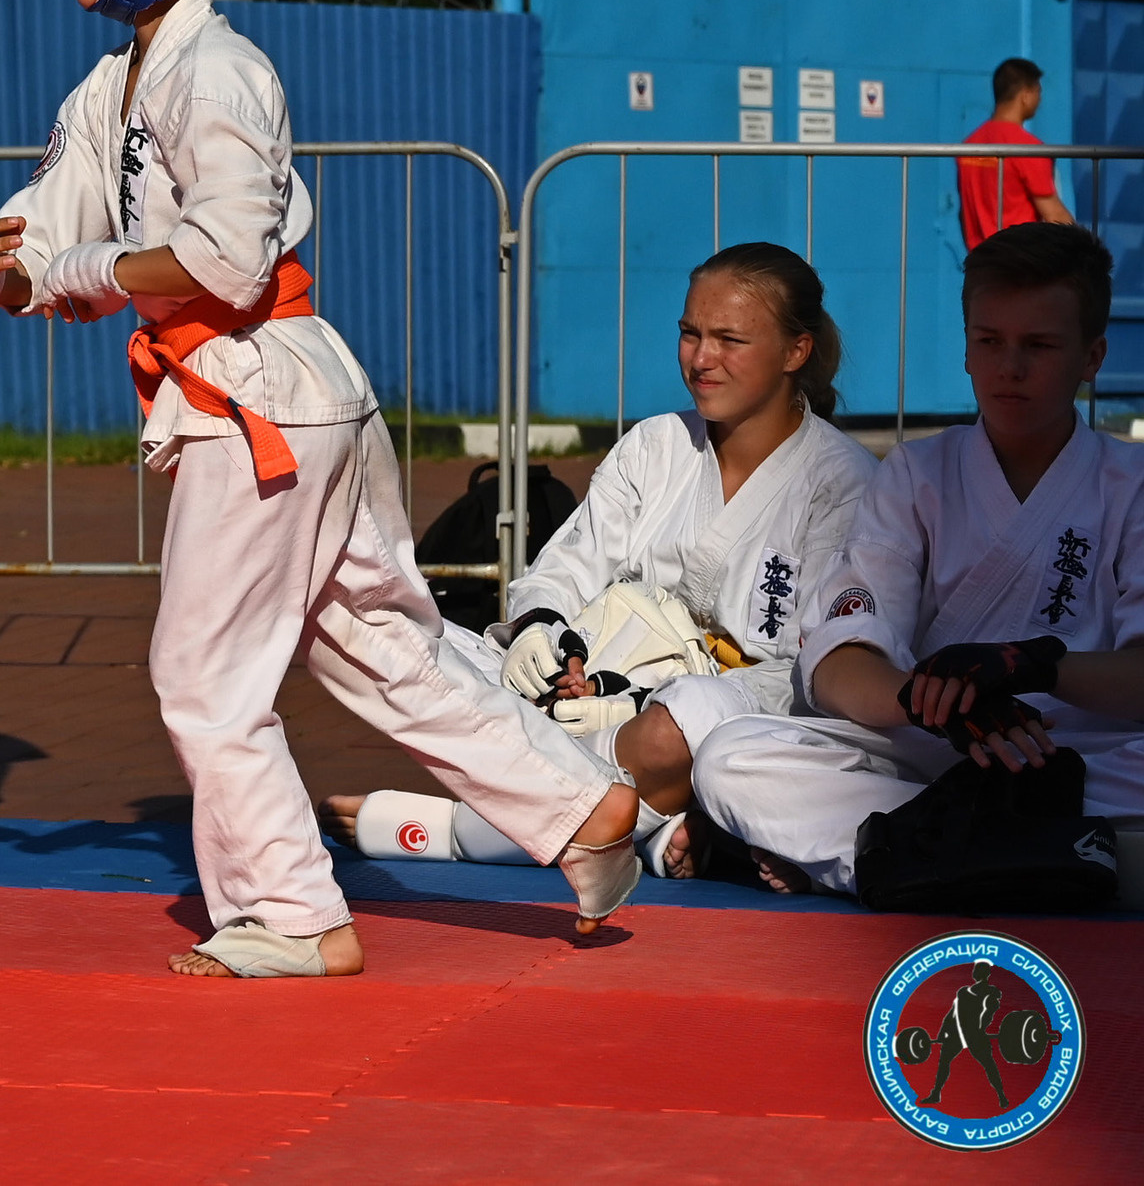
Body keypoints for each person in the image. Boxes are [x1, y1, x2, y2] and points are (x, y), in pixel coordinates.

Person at [0, 0, 640, 978]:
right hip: (284, 392)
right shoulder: (113, 86)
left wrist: (76, 270)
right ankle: (579, 808)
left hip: (256, 392)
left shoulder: (219, 72)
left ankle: (291, 911)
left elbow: (222, 260)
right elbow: (36, 239)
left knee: (204, 678)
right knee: (375, 641)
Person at [326, 245, 879, 878]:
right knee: (401, 632)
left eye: (730, 340)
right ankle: (653, 825)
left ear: (795, 351)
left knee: (685, 724)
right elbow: (567, 564)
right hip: (584, 690)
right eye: (690, 334)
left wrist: (639, 701)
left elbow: (810, 671)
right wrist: (541, 627)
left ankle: (458, 830)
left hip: (700, 719)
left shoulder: (843, 483)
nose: (701, 359)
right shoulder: (656, 445)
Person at [689, 221, 1144, 898]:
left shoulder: (1130, 482)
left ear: (1092, 355)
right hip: (939, 748)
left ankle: (897, 855)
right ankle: (1056, 859)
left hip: (1080, 752)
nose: (1009, 367)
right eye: (989, 342)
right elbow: (842, 661)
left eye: (1039, 346)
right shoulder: (918, 473)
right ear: (965, 349)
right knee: (732, 756)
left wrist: (1035, 663)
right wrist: (926, 700)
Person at [959, 57, 1073, 250]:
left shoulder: (969, 146)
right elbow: (1055, 215)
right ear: (1026, 96)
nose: (1040, 100)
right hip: (1020, 263)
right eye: (1038, 92)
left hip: (981, 263)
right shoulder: (1029, 148)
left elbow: (964, 214)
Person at [926, 962, 1008, 1110]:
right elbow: (953, 1013)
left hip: (974, 1034)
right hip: (957, 1034)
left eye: (977, 970)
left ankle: (1001, 1096)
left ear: (984, 973)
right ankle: (936, 1094)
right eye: (974, 969)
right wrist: (943, 1031)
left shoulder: (990, 992)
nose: (974, 972)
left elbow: (989, 1014)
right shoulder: (963, 991)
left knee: (989, 1065)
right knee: (944, 1061)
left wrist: (979, 1029)